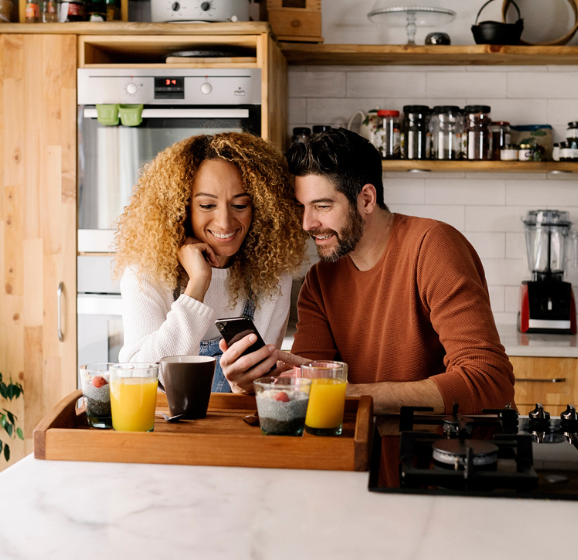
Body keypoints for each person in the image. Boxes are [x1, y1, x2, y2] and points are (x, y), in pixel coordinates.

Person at [219, 128, 515, 414]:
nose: (307, 223)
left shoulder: (432, 247)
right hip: (360, 459)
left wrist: (346, 394)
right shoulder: (320, 282)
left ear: (367, 199)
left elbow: (488, 381)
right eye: (301, 208)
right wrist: (249, 386)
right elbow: (307, 395)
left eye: (322, 206)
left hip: (443, 460)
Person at [113, 132, 307, 392]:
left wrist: (245, 385)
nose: (225, 222)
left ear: (260, 208)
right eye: (207, 205)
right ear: (181, 208)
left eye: (240, 205)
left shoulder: (272, 277)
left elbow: (258, 385)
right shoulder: (145, 272)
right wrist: (198, 285)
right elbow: (138, 377)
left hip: (234, 428)